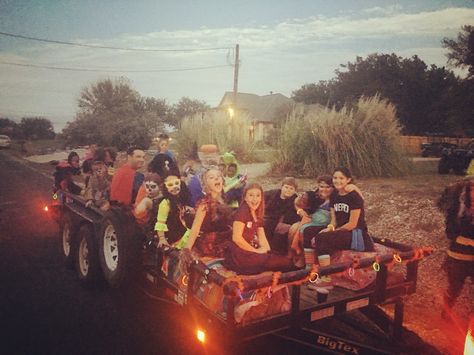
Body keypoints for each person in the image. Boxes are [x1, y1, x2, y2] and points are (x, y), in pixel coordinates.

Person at [224, 182, 297, 275]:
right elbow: (236, 238)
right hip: (240, 255)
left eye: (258, 195)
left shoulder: (257, 213)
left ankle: (277, 287)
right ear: (245, 197)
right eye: (251, 195)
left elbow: (262, 237)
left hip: (251, 250)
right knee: (286, 264)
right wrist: (256, 252)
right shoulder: (242, 212)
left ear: (261, 197)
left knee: (283, 260)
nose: (255, 199)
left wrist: (267, 251)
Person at [305, 167, 374, 260]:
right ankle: (309, 266)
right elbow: (334, 221)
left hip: (354, 233)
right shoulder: (334, 195)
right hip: (340, 230)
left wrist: (333, 232)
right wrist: (330, 228)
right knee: (308, 231)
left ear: (348, 180)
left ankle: (326, 271)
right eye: (335, 178)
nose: (337, 181)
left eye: (341, 178)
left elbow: (352, 224)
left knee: (322, 238)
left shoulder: (354, 196)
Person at [437, 179, 474, 320]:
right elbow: (451, 234)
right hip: (457, 258)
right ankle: (446, 313)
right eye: (472, 190)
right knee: (454, 289)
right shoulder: (456, 211)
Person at [181, 166, 233, 258]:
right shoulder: (204, 204)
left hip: (225, 238)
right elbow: (195, 228)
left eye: (218, 176)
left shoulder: (223, 199)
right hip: (212, 245)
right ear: (206, 184)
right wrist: (187, 250)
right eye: (211, 177)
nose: (216, 178)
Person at [263, 177, 300, 254]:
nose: (288, 190)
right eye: (286, 187)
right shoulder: (273, 193)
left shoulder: (295, 200)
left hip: (282, 221)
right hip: (267, 218)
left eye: (291, 188)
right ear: (281, 187)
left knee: (279, 230)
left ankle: (275, 252)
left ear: (294, 191)